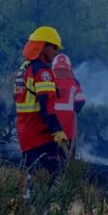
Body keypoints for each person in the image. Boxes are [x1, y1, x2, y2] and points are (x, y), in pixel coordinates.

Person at [14, 26, 68, 184]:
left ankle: (29, 207)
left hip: (25, 134)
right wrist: (57, 130)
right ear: (42, 46)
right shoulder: (42, 72)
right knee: (49, 182)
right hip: (40, 135)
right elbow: (47, 104)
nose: (56, 52)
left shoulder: (22, 70)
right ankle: (42, 209)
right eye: (53, 47)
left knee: (31, 179)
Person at [51, 53, 86, 157]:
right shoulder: (74, 83)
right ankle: (67, 172)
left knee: (50, 157)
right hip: (68, 130)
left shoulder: (49, 82)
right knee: (67, 157)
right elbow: (80, 102)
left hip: (51, 128)